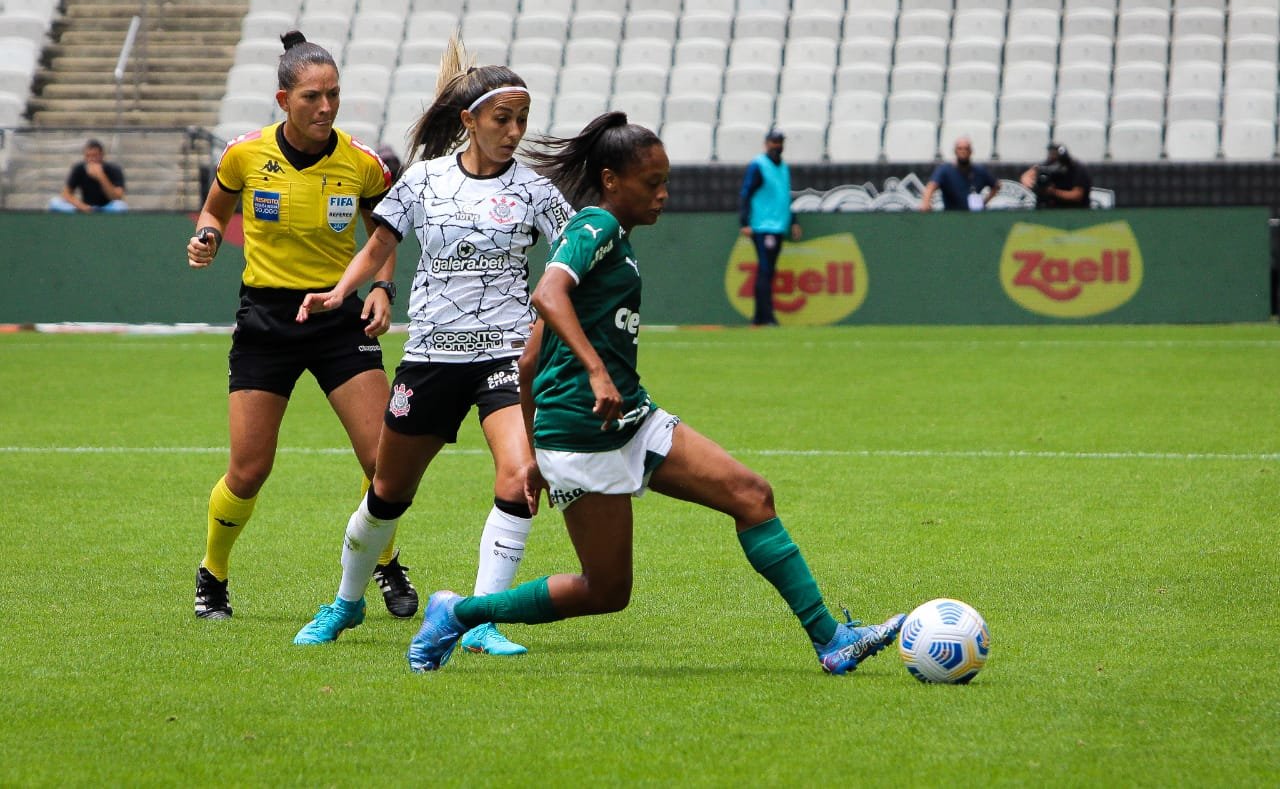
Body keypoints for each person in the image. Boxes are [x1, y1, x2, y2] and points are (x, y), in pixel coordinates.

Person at [405, 111, 905, 675]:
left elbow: (528, 361)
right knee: (605, 591)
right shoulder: (594, 226)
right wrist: (594, 374)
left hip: (629, 417)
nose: (663, 194)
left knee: (751, 495)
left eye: (666, 181)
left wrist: (537, 453)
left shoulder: (614, 239)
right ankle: (458, 613)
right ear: (612, 180)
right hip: (585, 430)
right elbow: (547, 293)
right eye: (652, 182)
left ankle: (831, 640)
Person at [290, 35, 574, 657]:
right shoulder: (423, 180)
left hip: (503, 355)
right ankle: (345, 603)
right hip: (430, 358)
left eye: (522, 119)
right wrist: (340, 292)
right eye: (502, 119)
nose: (514, 131)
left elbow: (574, 256)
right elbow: (378, 245)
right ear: (469, 120)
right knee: (387, 493)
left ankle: (481, 619)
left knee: (519, 477)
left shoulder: (535, 192)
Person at [185, 30, 418, 622]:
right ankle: (213, 572)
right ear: (283, 99)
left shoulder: (361, 164)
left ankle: (384, 560)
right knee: (249, 470)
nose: (326, 106)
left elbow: (383, 236)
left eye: (333, 94)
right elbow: (214, 208)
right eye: (312, 96)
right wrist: (207, 234)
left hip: (338, 320)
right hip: (266, 322)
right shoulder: (244, 155)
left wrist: (383, 289)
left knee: (382, 462)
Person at [738, 128, 800, 326]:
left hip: (778, 225)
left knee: (769, 271)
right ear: (766, 144)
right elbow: (746, 193)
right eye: (774, 142)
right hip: (763, 225)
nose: (777, 146)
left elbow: (785, 196)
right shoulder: (759, 165)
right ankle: (767, 317)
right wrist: (744, 222)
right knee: (765, 270)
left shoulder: (784, 167)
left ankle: (759, 317)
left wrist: (794, 221)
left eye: (780, 142)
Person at [920, 137, 1001, 212]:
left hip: (973, 216)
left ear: (971, 151)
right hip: (951, 215)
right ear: (955, 151)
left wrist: (984, 202)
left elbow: (996, 186)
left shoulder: (979, 171)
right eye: (960, 149)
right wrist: (926, 202)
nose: (963, 151)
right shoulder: (945, 170)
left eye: (966, 148)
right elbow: (931, 186)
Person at [48, 138, 128, 213]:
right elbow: (66, 194)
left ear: (102, 155)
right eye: (88, 156)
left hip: (107, 208)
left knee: (121, 206)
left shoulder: (114, 169)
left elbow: (117, 197)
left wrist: (101, 176)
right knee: (54, 202)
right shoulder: (79, 168)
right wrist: (81, 206)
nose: (91, 159)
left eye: (94, 156)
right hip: (84, 207)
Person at [1020, 144, 1092, 209]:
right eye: (1051, 154)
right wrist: (1029, 180)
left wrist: (1053, 192)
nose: (1053, 157)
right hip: (1049, 208)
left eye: (1055, 155)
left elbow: (1077, 195)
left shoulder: (1078, 169)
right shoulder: (1048, 165)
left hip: (1075, 210)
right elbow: (1031, 173)